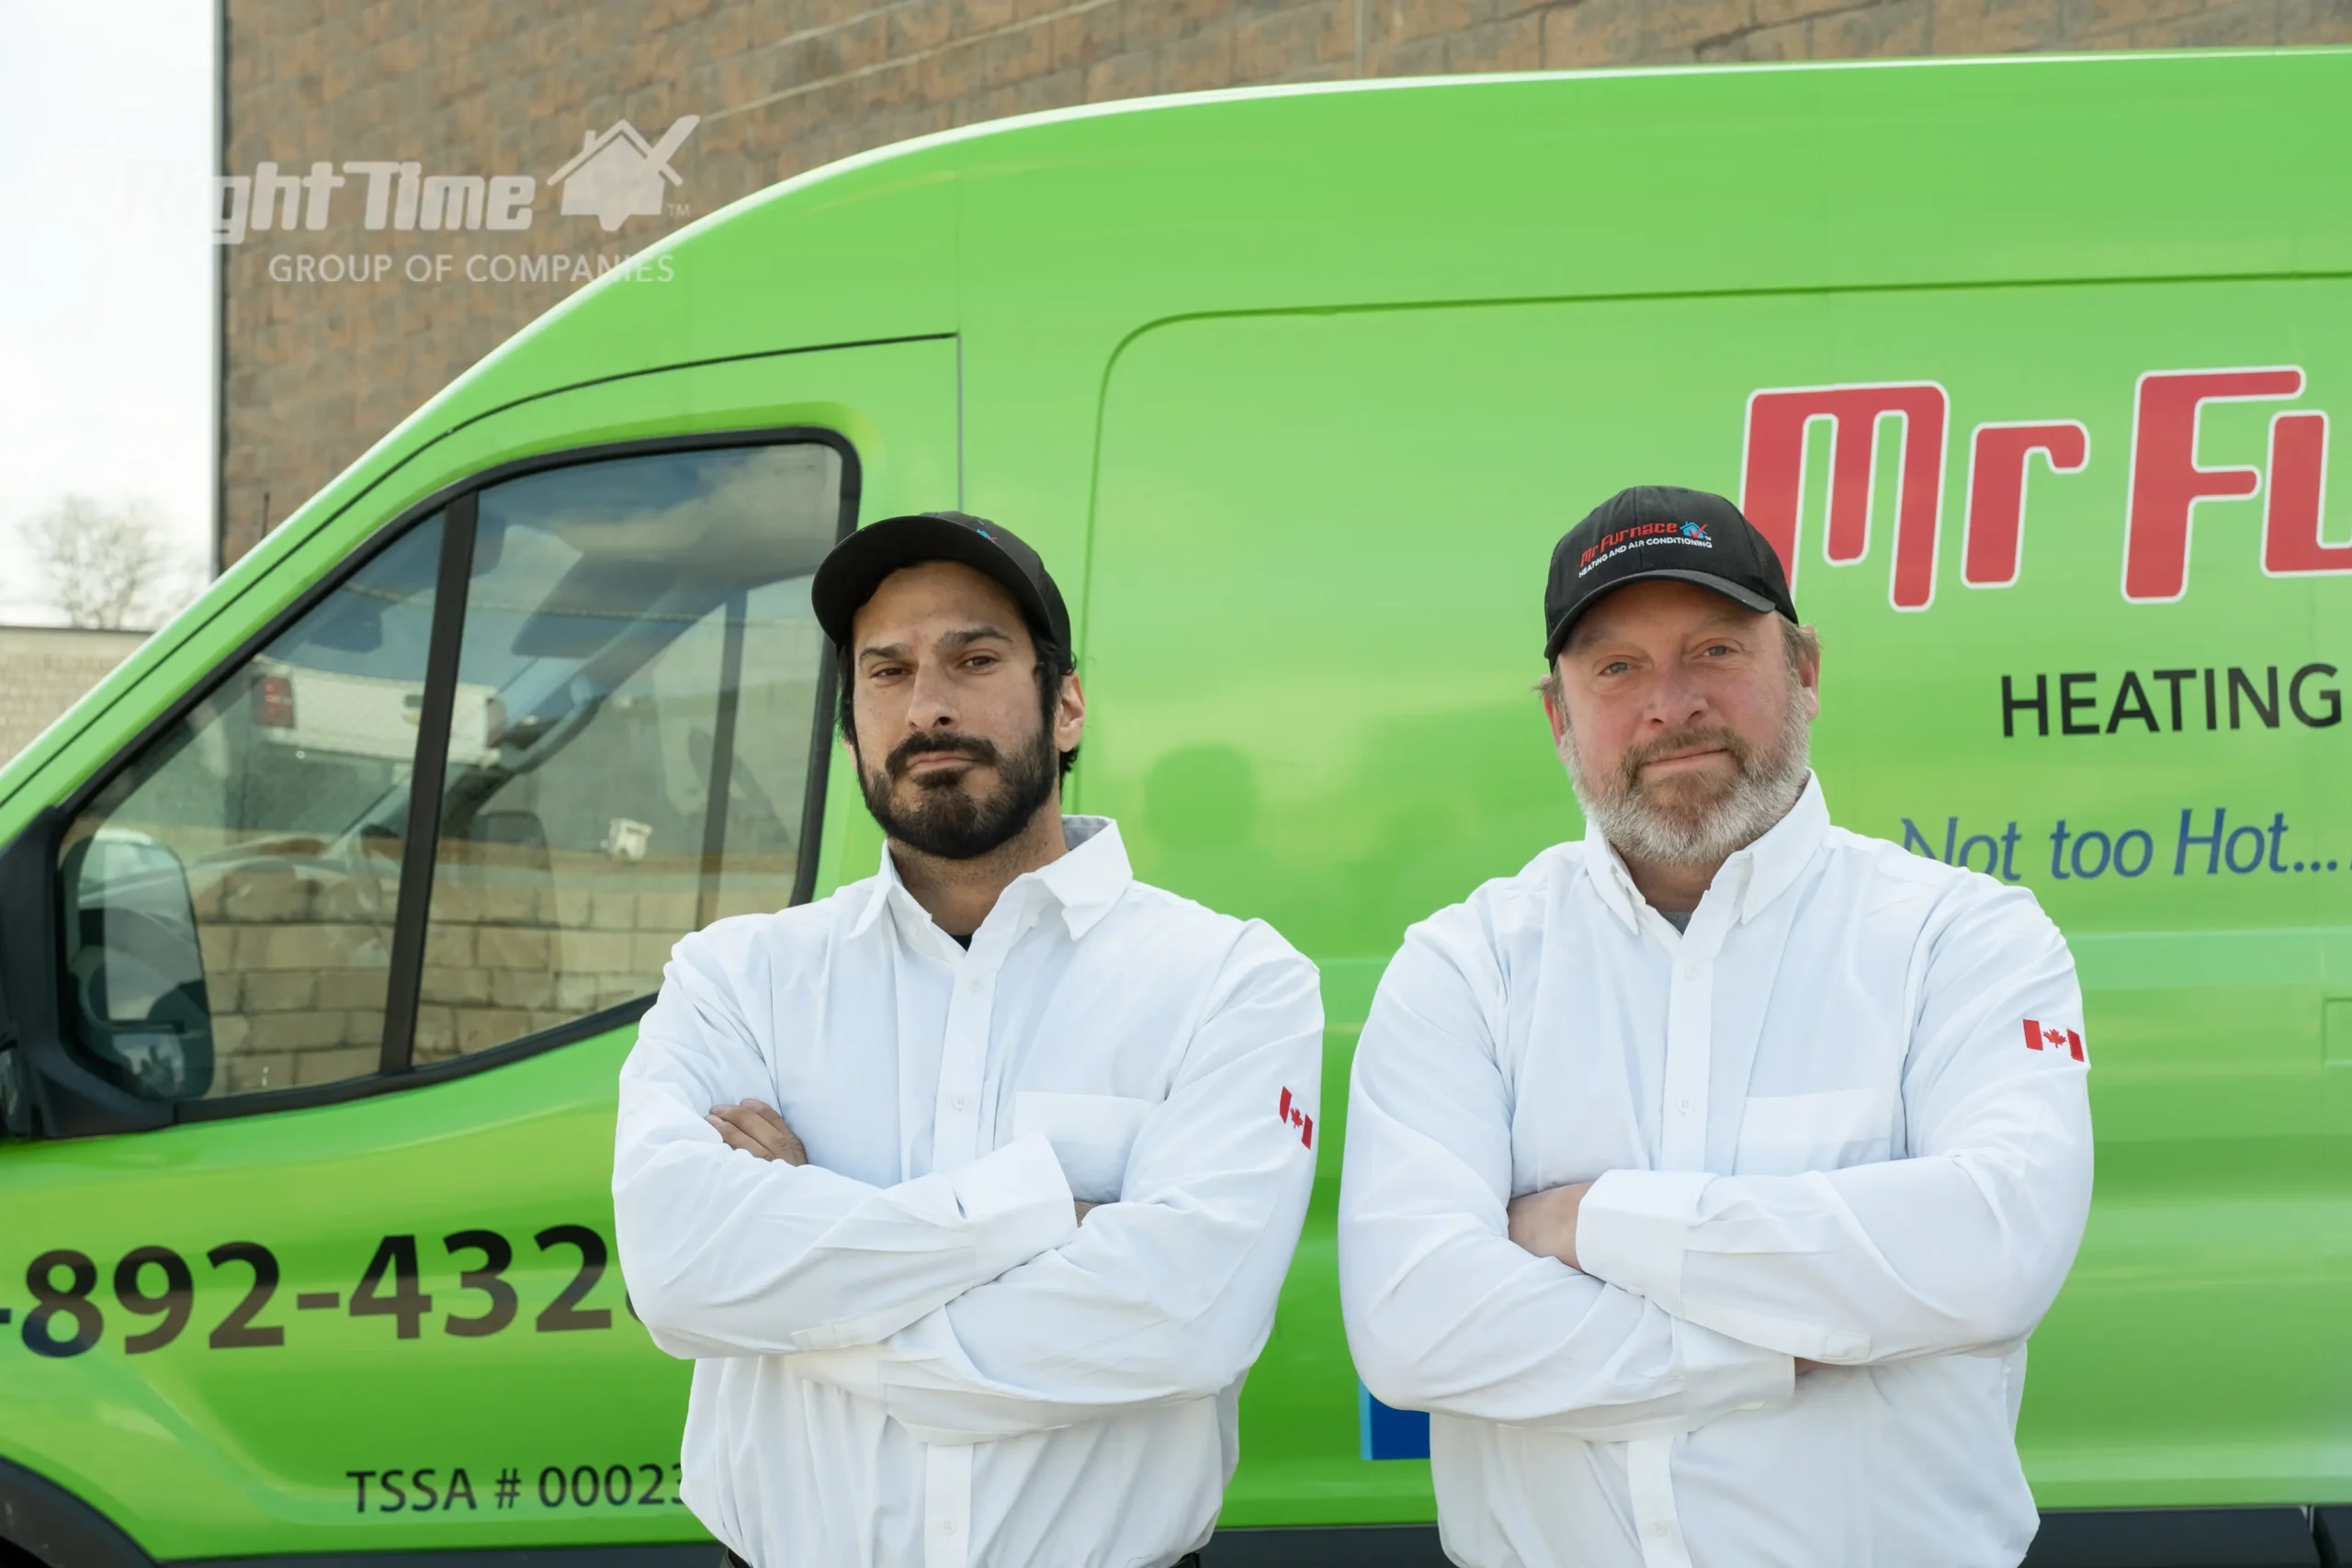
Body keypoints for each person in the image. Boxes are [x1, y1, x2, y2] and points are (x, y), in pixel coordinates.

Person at [1337, 486, 2093, 1568]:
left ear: (1806, 673)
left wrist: (1589, 1222)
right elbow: (1417, 1330)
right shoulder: (1470, 965)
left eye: (1714, 651)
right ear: (1557, 716)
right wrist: (1777, 1349)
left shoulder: (1959, 939)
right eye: (1616, 668)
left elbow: (1992, 1252)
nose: (1670, 702)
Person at [612, 512, 1322, 1568]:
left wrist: (808, 1298)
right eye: (886, 672)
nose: (929, 705)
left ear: (1066, 704)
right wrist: (1040, 1212)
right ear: (851, 729)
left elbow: (1187, 1323)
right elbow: (678, 1276)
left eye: (974, 658)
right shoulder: (737, 977)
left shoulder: (1231, 982)